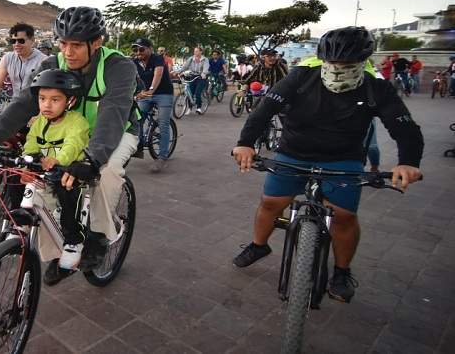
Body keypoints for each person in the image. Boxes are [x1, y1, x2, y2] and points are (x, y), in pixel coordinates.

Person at [231, 26, 423, 303]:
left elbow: (405, 128)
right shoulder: (301, 76)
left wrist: (408, 163)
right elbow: (265, 110)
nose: (338, 67)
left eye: (348, 62)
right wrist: (245, 143)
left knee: (344, 217)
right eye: (331, 61)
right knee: (271, 203)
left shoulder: (377, 87)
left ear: (363, 60)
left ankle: (342, 271)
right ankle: (258, 245)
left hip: (344, 158)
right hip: (293, 152)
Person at [0, 6, 140, 286]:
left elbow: (112, 115)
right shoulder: (52, 64)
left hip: (116, 131)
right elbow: (22, 104)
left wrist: (91, 159)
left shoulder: (119, 66)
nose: (68, 52)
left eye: (77, 45)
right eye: (63, 43)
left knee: (107, 172)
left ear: (97, 42)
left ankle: (98, 236)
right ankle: (60, 252)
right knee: (41, 186)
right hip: (68, 132)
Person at [22, 69, 90, 269]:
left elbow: (73, 144)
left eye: (55, 100)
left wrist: (58, 160)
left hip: (70, 170)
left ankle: (74, 239)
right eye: (42, 98)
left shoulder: (77, 121)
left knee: (67, 192)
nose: (46, 105)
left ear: (70, 101)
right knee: (18, 179)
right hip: (46, 171)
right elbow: (31, 144)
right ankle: (20, 222)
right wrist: (26, 164)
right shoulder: (39, 122)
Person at [0, 22, 47, 120]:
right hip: (16, 106)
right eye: (13, 41)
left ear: (32, 41)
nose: (16, 44)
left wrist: (40, 116)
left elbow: (48, 91)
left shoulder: (43, 60)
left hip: (37, 109)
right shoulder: (7, 59)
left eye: (21, 41)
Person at [133, 37, 174, 172]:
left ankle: (161, 157)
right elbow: (128, 77)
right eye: (135, 50)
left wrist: (151, 90)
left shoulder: (158, 59)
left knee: (163, 123)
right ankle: (138, 146)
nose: (138, 52)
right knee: (137, 118)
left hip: (164, 94)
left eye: (141, 49)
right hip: (146, 94)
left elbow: (158, 75)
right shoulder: (136, 62)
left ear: (150, 49)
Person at [174, 46, 209, 114]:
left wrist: (204, 73)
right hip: (193, 76)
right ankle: (189, 108)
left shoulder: (205, 59)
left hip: (201, 77)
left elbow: (206, 67)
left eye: (197, 51)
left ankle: (199, 107)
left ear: (201, 52)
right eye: (195, 51)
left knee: (198, 92)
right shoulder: (191, 59)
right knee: (190, 93)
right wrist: (178, 72)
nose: (195, 52)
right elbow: (185, 67)